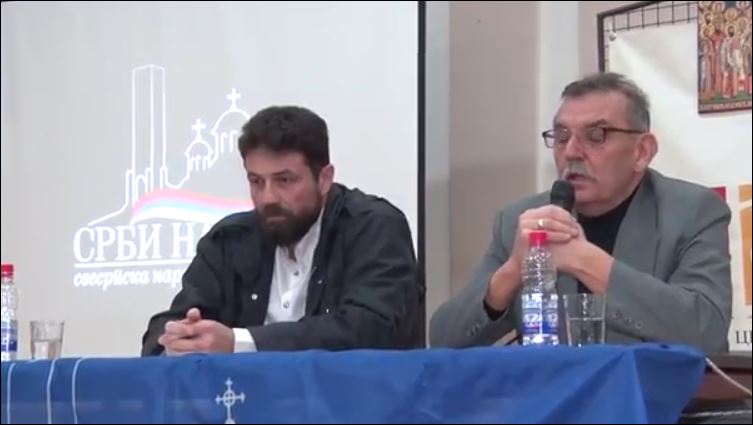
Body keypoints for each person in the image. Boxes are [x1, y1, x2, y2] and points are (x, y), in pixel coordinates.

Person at [429, 72, 732, 353]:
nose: (571, 152)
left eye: (596, 135)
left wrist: (586, 261)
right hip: (551, 392)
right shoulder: (520, 221)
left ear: (642, 152)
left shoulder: (691, 212)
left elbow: (707, 332)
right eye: (562, 137)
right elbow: (444, 339)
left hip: (646, 393)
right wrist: (511, 272)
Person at [142, 105, 423, 355]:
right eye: (256, 181)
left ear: (324, 179)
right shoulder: (229, 240)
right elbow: (167, 327)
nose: (268, 198)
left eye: (284, 181)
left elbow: (368, 329)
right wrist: (179, 340)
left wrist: (239, 343)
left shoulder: (374, 227)